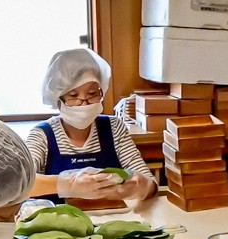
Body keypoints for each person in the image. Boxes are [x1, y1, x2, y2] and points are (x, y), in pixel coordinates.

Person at [26, 47, 158, 202]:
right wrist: (68, 185)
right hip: (60, 223)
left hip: (112, 220)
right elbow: (21, 184)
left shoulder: (114, 128)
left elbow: (149, 182)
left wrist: (141, 187)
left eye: (92, 94)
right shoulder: (42, 136)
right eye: (73, 96)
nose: (84, 103)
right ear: (57, 98)